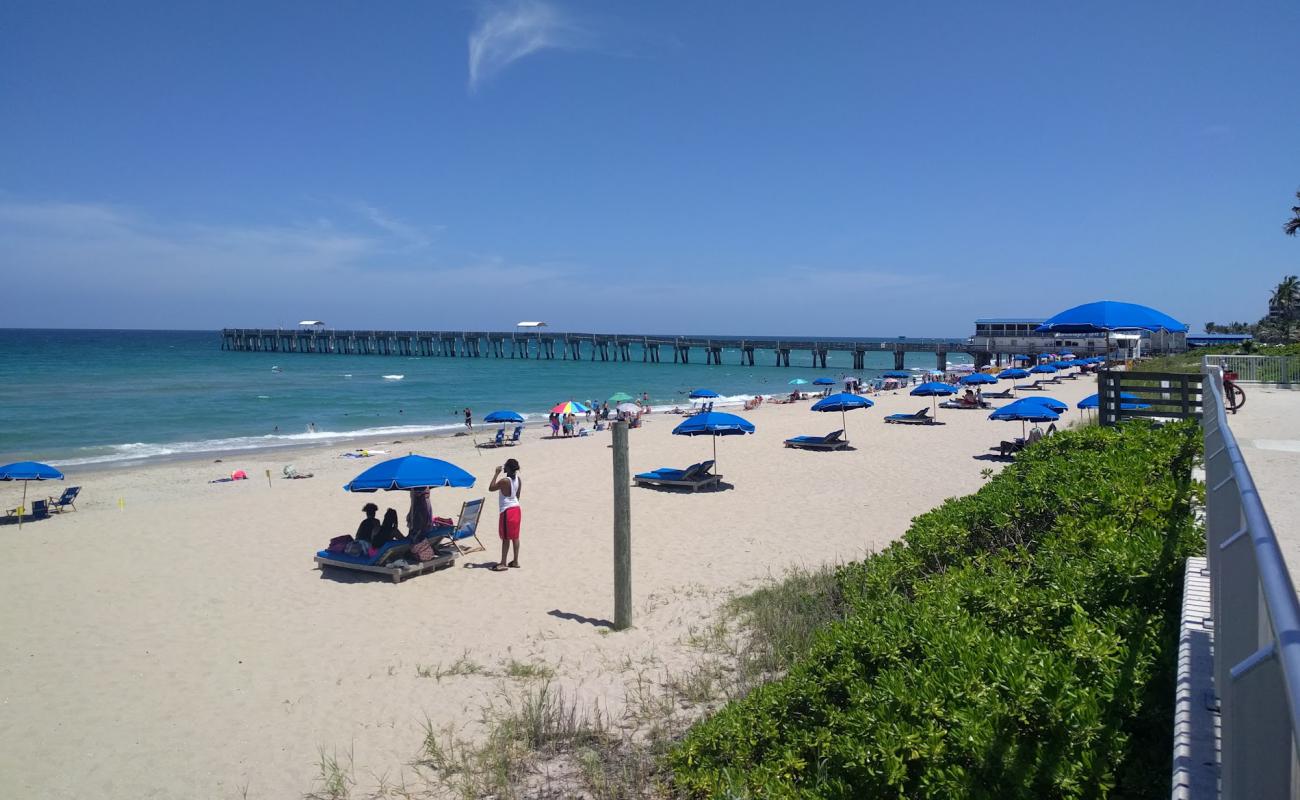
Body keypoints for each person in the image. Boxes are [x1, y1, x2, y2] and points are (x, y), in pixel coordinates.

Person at [489, 459, 522, 571]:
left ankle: (503, 563)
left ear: (507, 468)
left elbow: (491, 488)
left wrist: (496, 473)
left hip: (507, 511)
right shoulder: (518, 479)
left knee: (506, 538)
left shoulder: (504, 481)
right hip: (516, 509)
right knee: (515, 537)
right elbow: (517, 496)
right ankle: (515, 561)